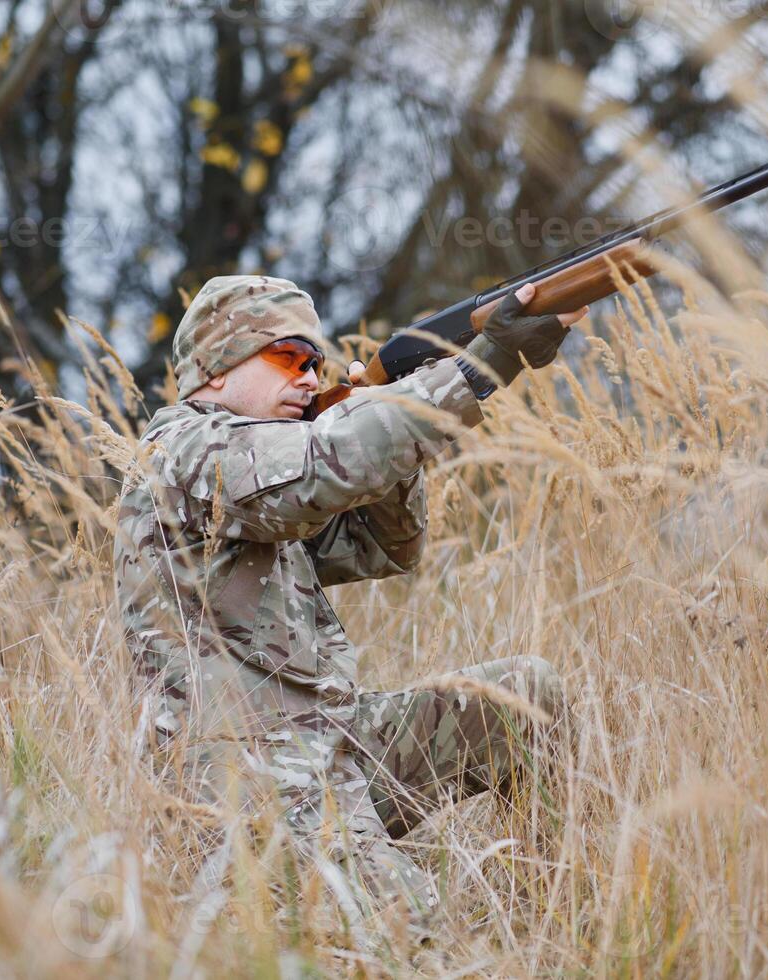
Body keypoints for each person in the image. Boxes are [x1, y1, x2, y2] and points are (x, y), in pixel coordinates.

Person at [113, 274, 586, 938]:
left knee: (523, 697)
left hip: (322, 747)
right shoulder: (182, 451)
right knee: (409, 935)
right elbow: (325, 464)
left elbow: (387, 546)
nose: (309, 378)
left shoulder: (264, 467)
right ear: (216, 370)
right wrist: (473, 370)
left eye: (316, 363)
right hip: (238, 779)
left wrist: (393, 398)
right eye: (287, 358)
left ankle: (556, 924)